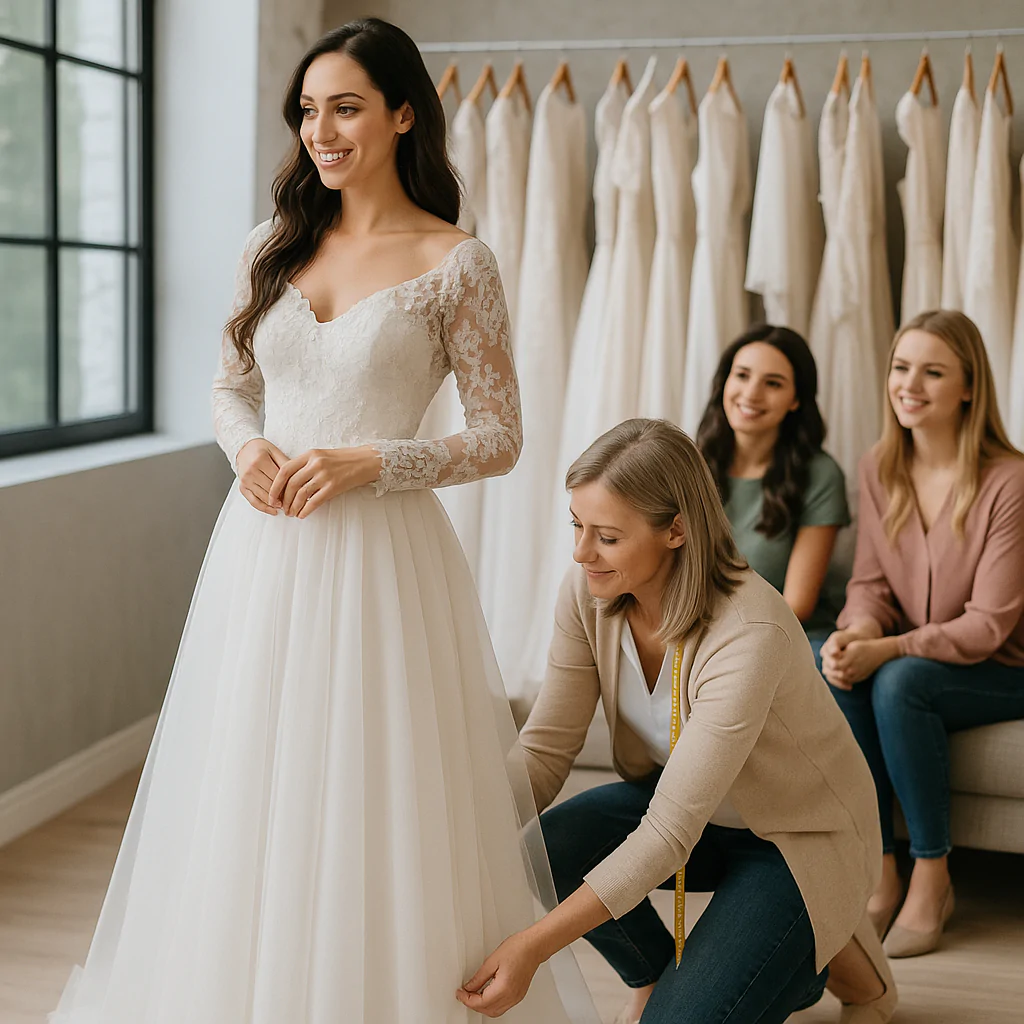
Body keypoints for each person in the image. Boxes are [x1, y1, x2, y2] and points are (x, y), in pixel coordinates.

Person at [51, 19, 598, 1024]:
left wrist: (372, 460)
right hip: (262, 554)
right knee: (251, 779)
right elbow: (229, 386)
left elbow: (501, 436)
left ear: (400, 113)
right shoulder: (274, 244)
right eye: (307, 110)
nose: (320, 130)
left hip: (384, 559)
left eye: (344, 106)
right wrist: (246, 447)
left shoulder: (457, 261)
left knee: (370, 789)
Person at [457, 419, 896, 1024]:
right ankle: (665, 972)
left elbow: (666, 835)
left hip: (795, 837)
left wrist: (533, 945)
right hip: (694, 814)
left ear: (677, 531)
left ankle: (837, 959)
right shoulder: (590, 592)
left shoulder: (749, 632)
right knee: (546, 849)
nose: (582, 552)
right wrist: (460, 828)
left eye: (607, 537)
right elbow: (545, 752)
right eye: (577, 527)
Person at [817, 309, 1024, 958]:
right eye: (902, 368)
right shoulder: (880, 466)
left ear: (968, 387)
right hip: (923, 657)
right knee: (839, 669)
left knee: (900, 679)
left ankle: (933, 876)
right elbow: (871, 582)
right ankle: (880, 871)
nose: (910, 384)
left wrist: (892, 647)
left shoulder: (1010, 481)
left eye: (933, 372)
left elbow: (989, 625)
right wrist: (857, 634)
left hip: (1004, 668)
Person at [697, 324, 849, 640]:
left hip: (786, 636)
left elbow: (797, 605)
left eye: (773, 383)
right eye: (742, 375)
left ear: (796, 400)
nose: (752, 393)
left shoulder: (820, 474)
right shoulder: (690, 465)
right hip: (702, 632)